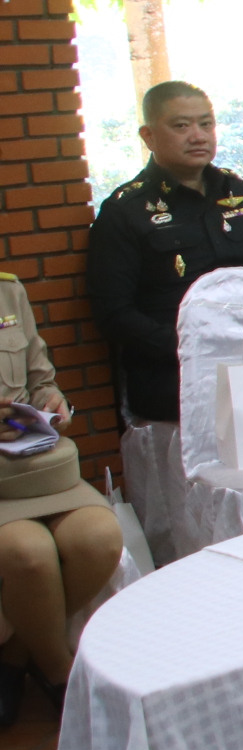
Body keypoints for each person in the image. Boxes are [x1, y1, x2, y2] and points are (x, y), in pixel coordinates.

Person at [90, 81, 243, 424]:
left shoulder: (241, 193)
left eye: (206, 124)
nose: (198, 136)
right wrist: (194, 349)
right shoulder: (126, 210)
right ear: (148, 136)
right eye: (181, 126)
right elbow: (114, 313)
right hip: (174, 384)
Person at [0, 274, 122, 722]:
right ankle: (60, 673)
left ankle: (15, 652)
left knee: (100, 540)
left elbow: (40, 380)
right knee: (28, 556)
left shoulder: (8, 291)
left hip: (36, 472)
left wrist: (51, 400)